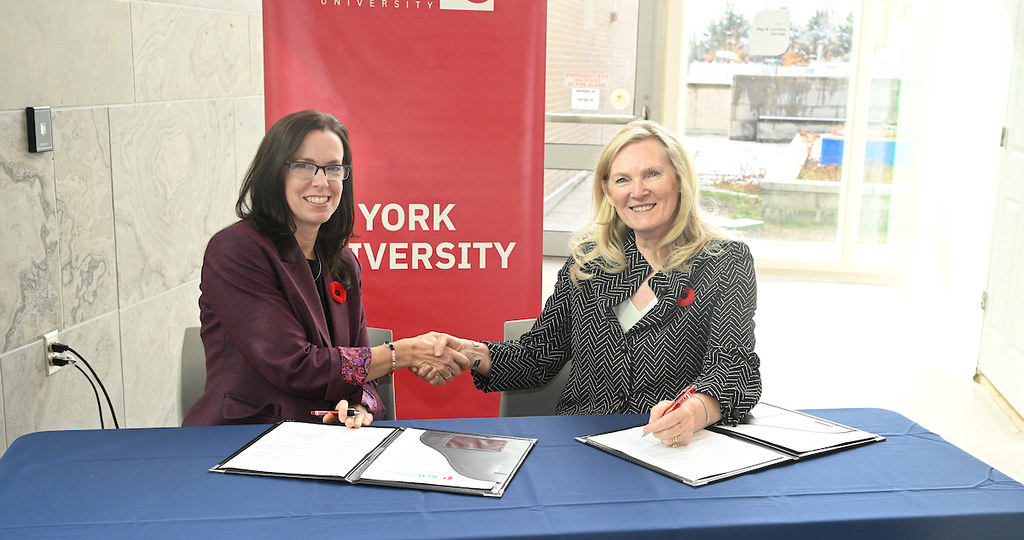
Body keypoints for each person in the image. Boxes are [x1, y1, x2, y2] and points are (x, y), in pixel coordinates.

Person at [424, 119, 761, 447]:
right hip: (584, 446)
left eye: (652, 174)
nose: (637, 191)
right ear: (608, 191)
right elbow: (539, 357)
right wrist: (472, 353)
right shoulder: (588, 262)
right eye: (622, 179)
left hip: (671, 446)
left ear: (679, 180)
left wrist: (693, 412)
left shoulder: (723, 261)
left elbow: (733, 367)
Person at [183, 110, 468, 428]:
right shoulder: (237, 249)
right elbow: (295, 366)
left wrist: (361, 407)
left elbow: (361, 369)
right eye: (304, 166)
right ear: (274, 173)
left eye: (333, 168)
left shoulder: (343, 261)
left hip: (325, 443)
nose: (321, 181)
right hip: (242, 440)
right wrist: (403, 353)